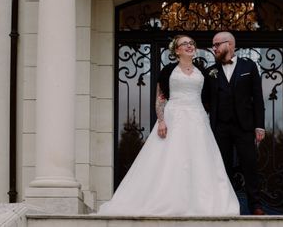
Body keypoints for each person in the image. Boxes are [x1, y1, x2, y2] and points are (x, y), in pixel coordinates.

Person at [98, 35, 240, 216]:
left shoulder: (202, 72)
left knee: (200, 159)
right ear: (177, 50)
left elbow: (209, 99)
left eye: (191, 43)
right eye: (185, 44)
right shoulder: (168, 71)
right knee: (171, 158)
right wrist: (162, 120)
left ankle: (202, 202)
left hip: (197, 119)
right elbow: (160, 98)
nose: (189, 46)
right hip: (174, 117)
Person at [202, 31, 266, 215]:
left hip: (244, 125)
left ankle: (255, 205)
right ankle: (226, 206)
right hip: (220, 127)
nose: (213, 48)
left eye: (216, 44)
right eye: (213, 45)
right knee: (222, 167)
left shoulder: (249, 66)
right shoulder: (210, 71)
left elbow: (258, 98)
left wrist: (259, 125)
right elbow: (204, 100)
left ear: (229, 44)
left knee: (250, 165)